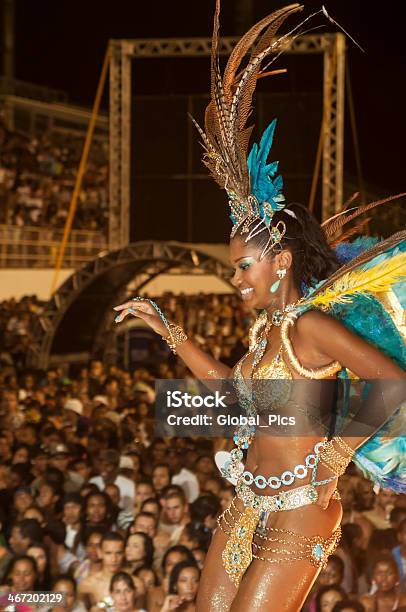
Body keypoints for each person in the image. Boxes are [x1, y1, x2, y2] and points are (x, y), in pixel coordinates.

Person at [113, 2, 406, 610]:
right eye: (233, 269)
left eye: (243, 266)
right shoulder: (264, 335)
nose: (236, 279)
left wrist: (339, 450)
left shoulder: (311, 327)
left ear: (282, 262)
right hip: (248, 496)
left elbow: (393, 382)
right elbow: (229, 393)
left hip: (303, 507)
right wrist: (171, 332)